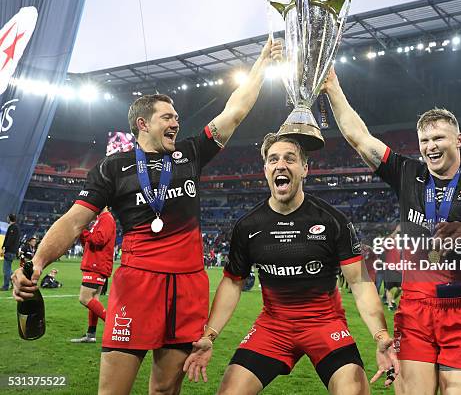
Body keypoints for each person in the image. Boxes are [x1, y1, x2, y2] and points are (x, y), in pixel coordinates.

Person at [12, 39, 281, 395]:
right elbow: (74, 220)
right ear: (143, 123)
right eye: (167, 117)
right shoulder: (114, 167)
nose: (176, 122)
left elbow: (234, 112)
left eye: (176, 117)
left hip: (187, 287)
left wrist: (261, 62)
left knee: (165, 391)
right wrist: (39, 261)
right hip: (138, 286)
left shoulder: (190, 153)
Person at [321, 68, 461, 395]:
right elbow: (359, 137)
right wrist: (333, 88)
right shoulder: (407, 173)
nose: (431, 147)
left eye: (438, 138)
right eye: (424, 141)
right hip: (414, 311)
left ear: (458, 140)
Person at [183, 134, 398, 394]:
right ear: (265, 170)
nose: (280, 165)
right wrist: (209, 335)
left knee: (354, 391)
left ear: (305, 169)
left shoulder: (333, 221)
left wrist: (381, 335)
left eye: (290, 159)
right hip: (273, 327)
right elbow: (232, 282)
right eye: (273, 159)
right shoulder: (248, 226)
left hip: (324, 324)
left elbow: (359, 283)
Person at [71, 207, 116, 343]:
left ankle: (115, 327)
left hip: (97, 264)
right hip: (97, 263)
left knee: (84, 298)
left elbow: (100, 239)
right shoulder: (100, 219)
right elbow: (91, 242)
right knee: (94, 300)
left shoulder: (106, 219)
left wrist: (82, 230)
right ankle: (91, 335)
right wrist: (83, 235)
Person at [1, 213, 19, 290]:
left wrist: (5, 248)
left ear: (9, 218)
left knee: (6, 270)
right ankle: (16, 282)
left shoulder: (13, 227)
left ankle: (6, 286)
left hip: (10, 251)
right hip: (13, 251)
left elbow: (10, 240)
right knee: (8, 269)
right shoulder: (16, 227)